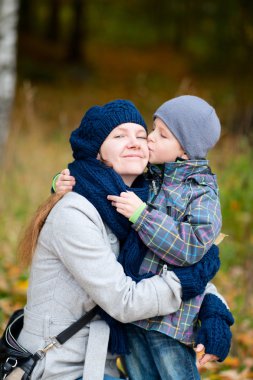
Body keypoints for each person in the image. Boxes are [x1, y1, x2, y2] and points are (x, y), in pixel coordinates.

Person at [17, 99, 219, 380]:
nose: (137, 142)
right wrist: (186, 282)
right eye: (120, 135)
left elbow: (162, 261)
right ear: (97, 152)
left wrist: (214, 308)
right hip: (58, 369)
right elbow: (126, 301)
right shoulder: (75, 212)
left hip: (101, 367)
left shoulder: (141, 207)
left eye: (140, 134)